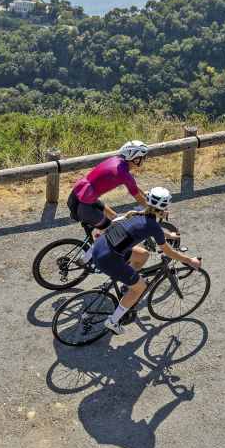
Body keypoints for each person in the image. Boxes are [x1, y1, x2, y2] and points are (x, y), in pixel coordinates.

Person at [87, 186, 201, 335]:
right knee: (139, 288)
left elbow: (152, 230)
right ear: (164, 207)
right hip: (109, 259)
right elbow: (168, 251)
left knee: (143, 255)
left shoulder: (137, 214)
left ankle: (127, 285)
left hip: (99, 248)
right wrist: (190, 260)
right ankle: (112, 321)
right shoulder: (153, 225)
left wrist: (170, 236)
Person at [67, 140, 149, 231]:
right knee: (115, 232)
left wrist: (145, 195)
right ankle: (99, 244)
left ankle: (97, 240)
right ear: (136, 158)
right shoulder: (123, 173)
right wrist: (153, 210)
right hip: (85, 206)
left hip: (80, 193)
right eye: (144, 157)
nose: (145, 160)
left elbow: (133, 185)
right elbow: (138, 198)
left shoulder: (117, 161)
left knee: (114, 217)